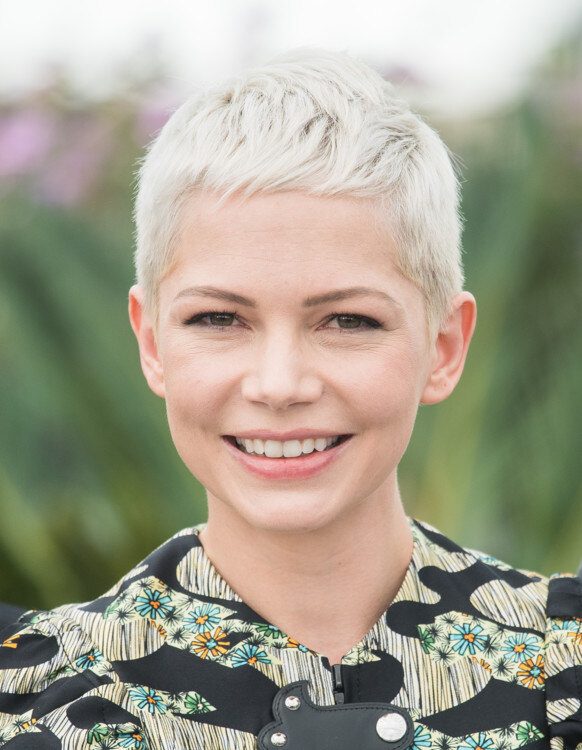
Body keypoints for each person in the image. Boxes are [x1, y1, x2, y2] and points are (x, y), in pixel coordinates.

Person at [0, 47, 580, 750]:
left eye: (348, 321)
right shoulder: (33, 706)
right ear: (151, 343)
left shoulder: (565, 670)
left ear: (445, 347)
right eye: (218, 319)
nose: (279, 385)